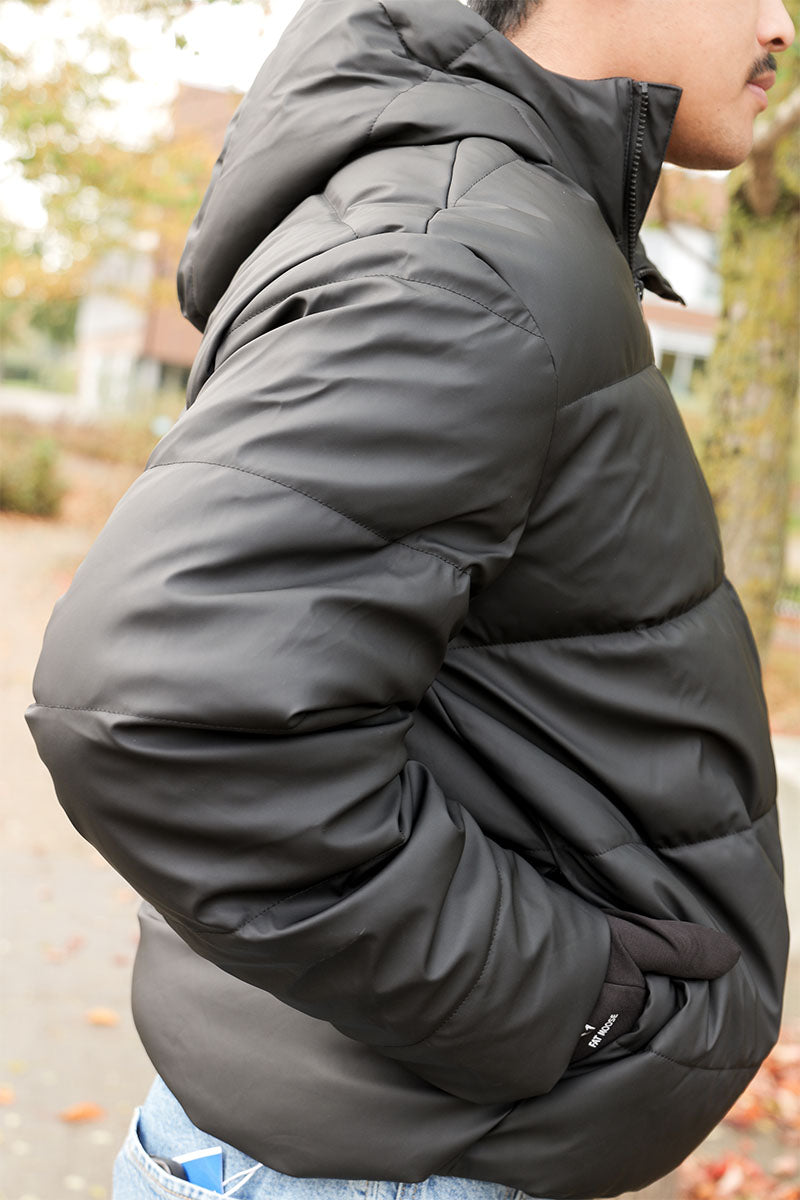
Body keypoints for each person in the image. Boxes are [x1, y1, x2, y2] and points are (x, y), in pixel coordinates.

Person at [27, 0, 796, 1196]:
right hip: (388, 1162)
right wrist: (571, 998)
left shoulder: (477, 223)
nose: (774, 24)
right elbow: (169, 714)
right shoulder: (464, 252)